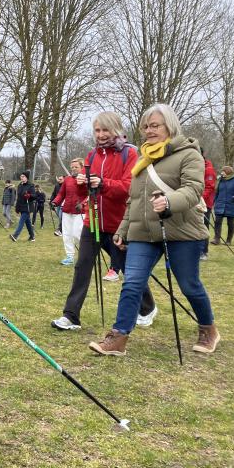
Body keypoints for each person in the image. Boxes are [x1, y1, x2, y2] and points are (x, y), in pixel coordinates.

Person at [89, 103, 220, 356]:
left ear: (169, 126)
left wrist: (169, 202)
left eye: (155, 125)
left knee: (189, 285)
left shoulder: (189, 154)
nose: (149, 130)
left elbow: (193, 190)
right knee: (132, 283)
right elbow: (134, 199)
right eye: (146, 126)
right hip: (144, 233)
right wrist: (123, 229)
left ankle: (208, 329)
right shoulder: (142, 158)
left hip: (182, 232)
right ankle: (118, 337)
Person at [51, 111, 157, 331]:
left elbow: (130, 186)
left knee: (129, 269)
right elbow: (86, 191)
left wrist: (102, 183)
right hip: (93, 221)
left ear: (116, 129)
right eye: (97, 130)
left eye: (105, 130)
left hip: (119, 223)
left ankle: (147, 307)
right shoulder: (92, 155)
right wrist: (82, 183)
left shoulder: (130, 154)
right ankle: (71, 316)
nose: (100, 134)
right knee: (82, 267)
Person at [52, 158, 86, 266]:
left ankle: (84, 255)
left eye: (76, 167)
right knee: (66, 235)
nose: (74, 169)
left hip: (80, 212)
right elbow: (61, 194)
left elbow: (91, 195)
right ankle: (70, 256)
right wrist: (55, 202)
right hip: (67, 211)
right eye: (72, 167)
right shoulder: (67, 180)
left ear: (82, 167)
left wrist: (83, 204)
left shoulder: (86, 179)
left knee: (77, 233)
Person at [212, 165, 234, 245]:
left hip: (231, 204)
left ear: (228, 172)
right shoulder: (220, 180)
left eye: (223, 171)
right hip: (220, 204)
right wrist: (212, 202)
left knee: (230, 223)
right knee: (217, 222)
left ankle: (228, 241)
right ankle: (216, 239)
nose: (222, 173)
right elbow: (216, 193)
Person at [10, 171, 35, 242]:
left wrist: (29, 196)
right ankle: (32, 236)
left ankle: (15, 235)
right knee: (28, 222)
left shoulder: (31, 185)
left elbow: (34, 196)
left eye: (23, 176)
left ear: (26, 177)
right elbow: (19, 197)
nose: (21, 178)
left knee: (21, 221)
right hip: (21, 206)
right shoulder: (20, 185)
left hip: (27, 206)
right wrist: (17, 208)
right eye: (21, 176)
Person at [200, 151, 216, 260]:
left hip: (204, 203)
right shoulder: (194, 166)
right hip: (193, 202)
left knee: (204, 227)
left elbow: (210, 187)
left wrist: (200, 199)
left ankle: (203, 252)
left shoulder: (208, 169)